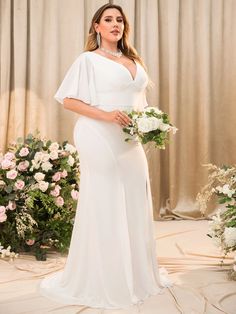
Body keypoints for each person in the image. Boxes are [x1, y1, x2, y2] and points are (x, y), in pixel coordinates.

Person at [39, 3, 172, 310]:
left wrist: (150, 123)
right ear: (96, 27)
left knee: (137, 197)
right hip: (98, 134)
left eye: (119, 20)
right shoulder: (88, 60)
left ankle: (136, 274)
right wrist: (106, 115)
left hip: (129, 138)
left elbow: (140, 101)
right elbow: (68, 100)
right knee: (107, 200)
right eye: (108, 20)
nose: (115, 24)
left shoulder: (133, 59)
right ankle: (107, 277)